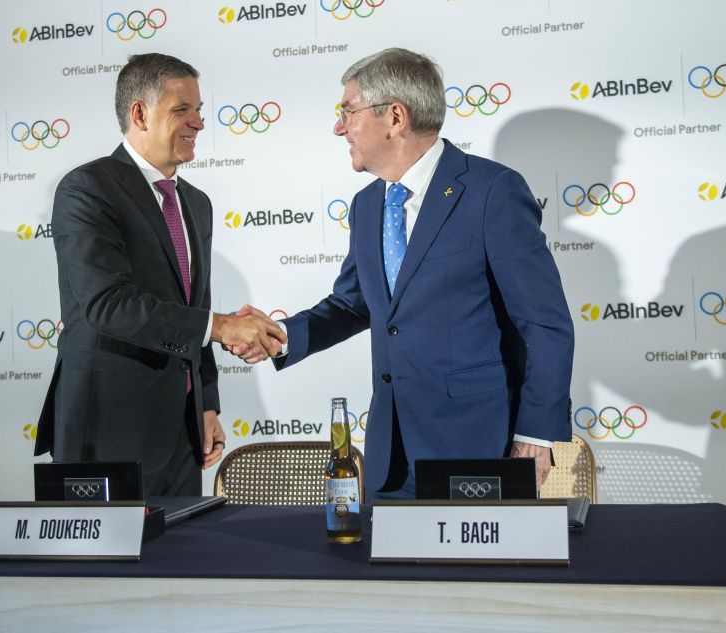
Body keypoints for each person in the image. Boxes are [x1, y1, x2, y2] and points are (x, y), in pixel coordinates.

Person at [236, 48, 574, 499]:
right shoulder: (368, 204)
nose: (339, 127)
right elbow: (354, 304)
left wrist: (535, 434)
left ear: (395, 117)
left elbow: (546, 323)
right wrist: (281, 335)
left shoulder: (492, 191)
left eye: (347, 111)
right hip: (390, 455)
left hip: (478, 446)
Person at [34, 53, 286, 496]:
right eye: (182, 109)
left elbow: (195, 309)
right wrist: (224, 326)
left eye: (200, 111)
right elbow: (108, 305)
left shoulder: (196, 202)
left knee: (179, 561)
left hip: (181, 434)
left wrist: (206, 404)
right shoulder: (87, 189)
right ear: (139, 114)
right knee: (104, 567)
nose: (199, 123)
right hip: (107, 430)